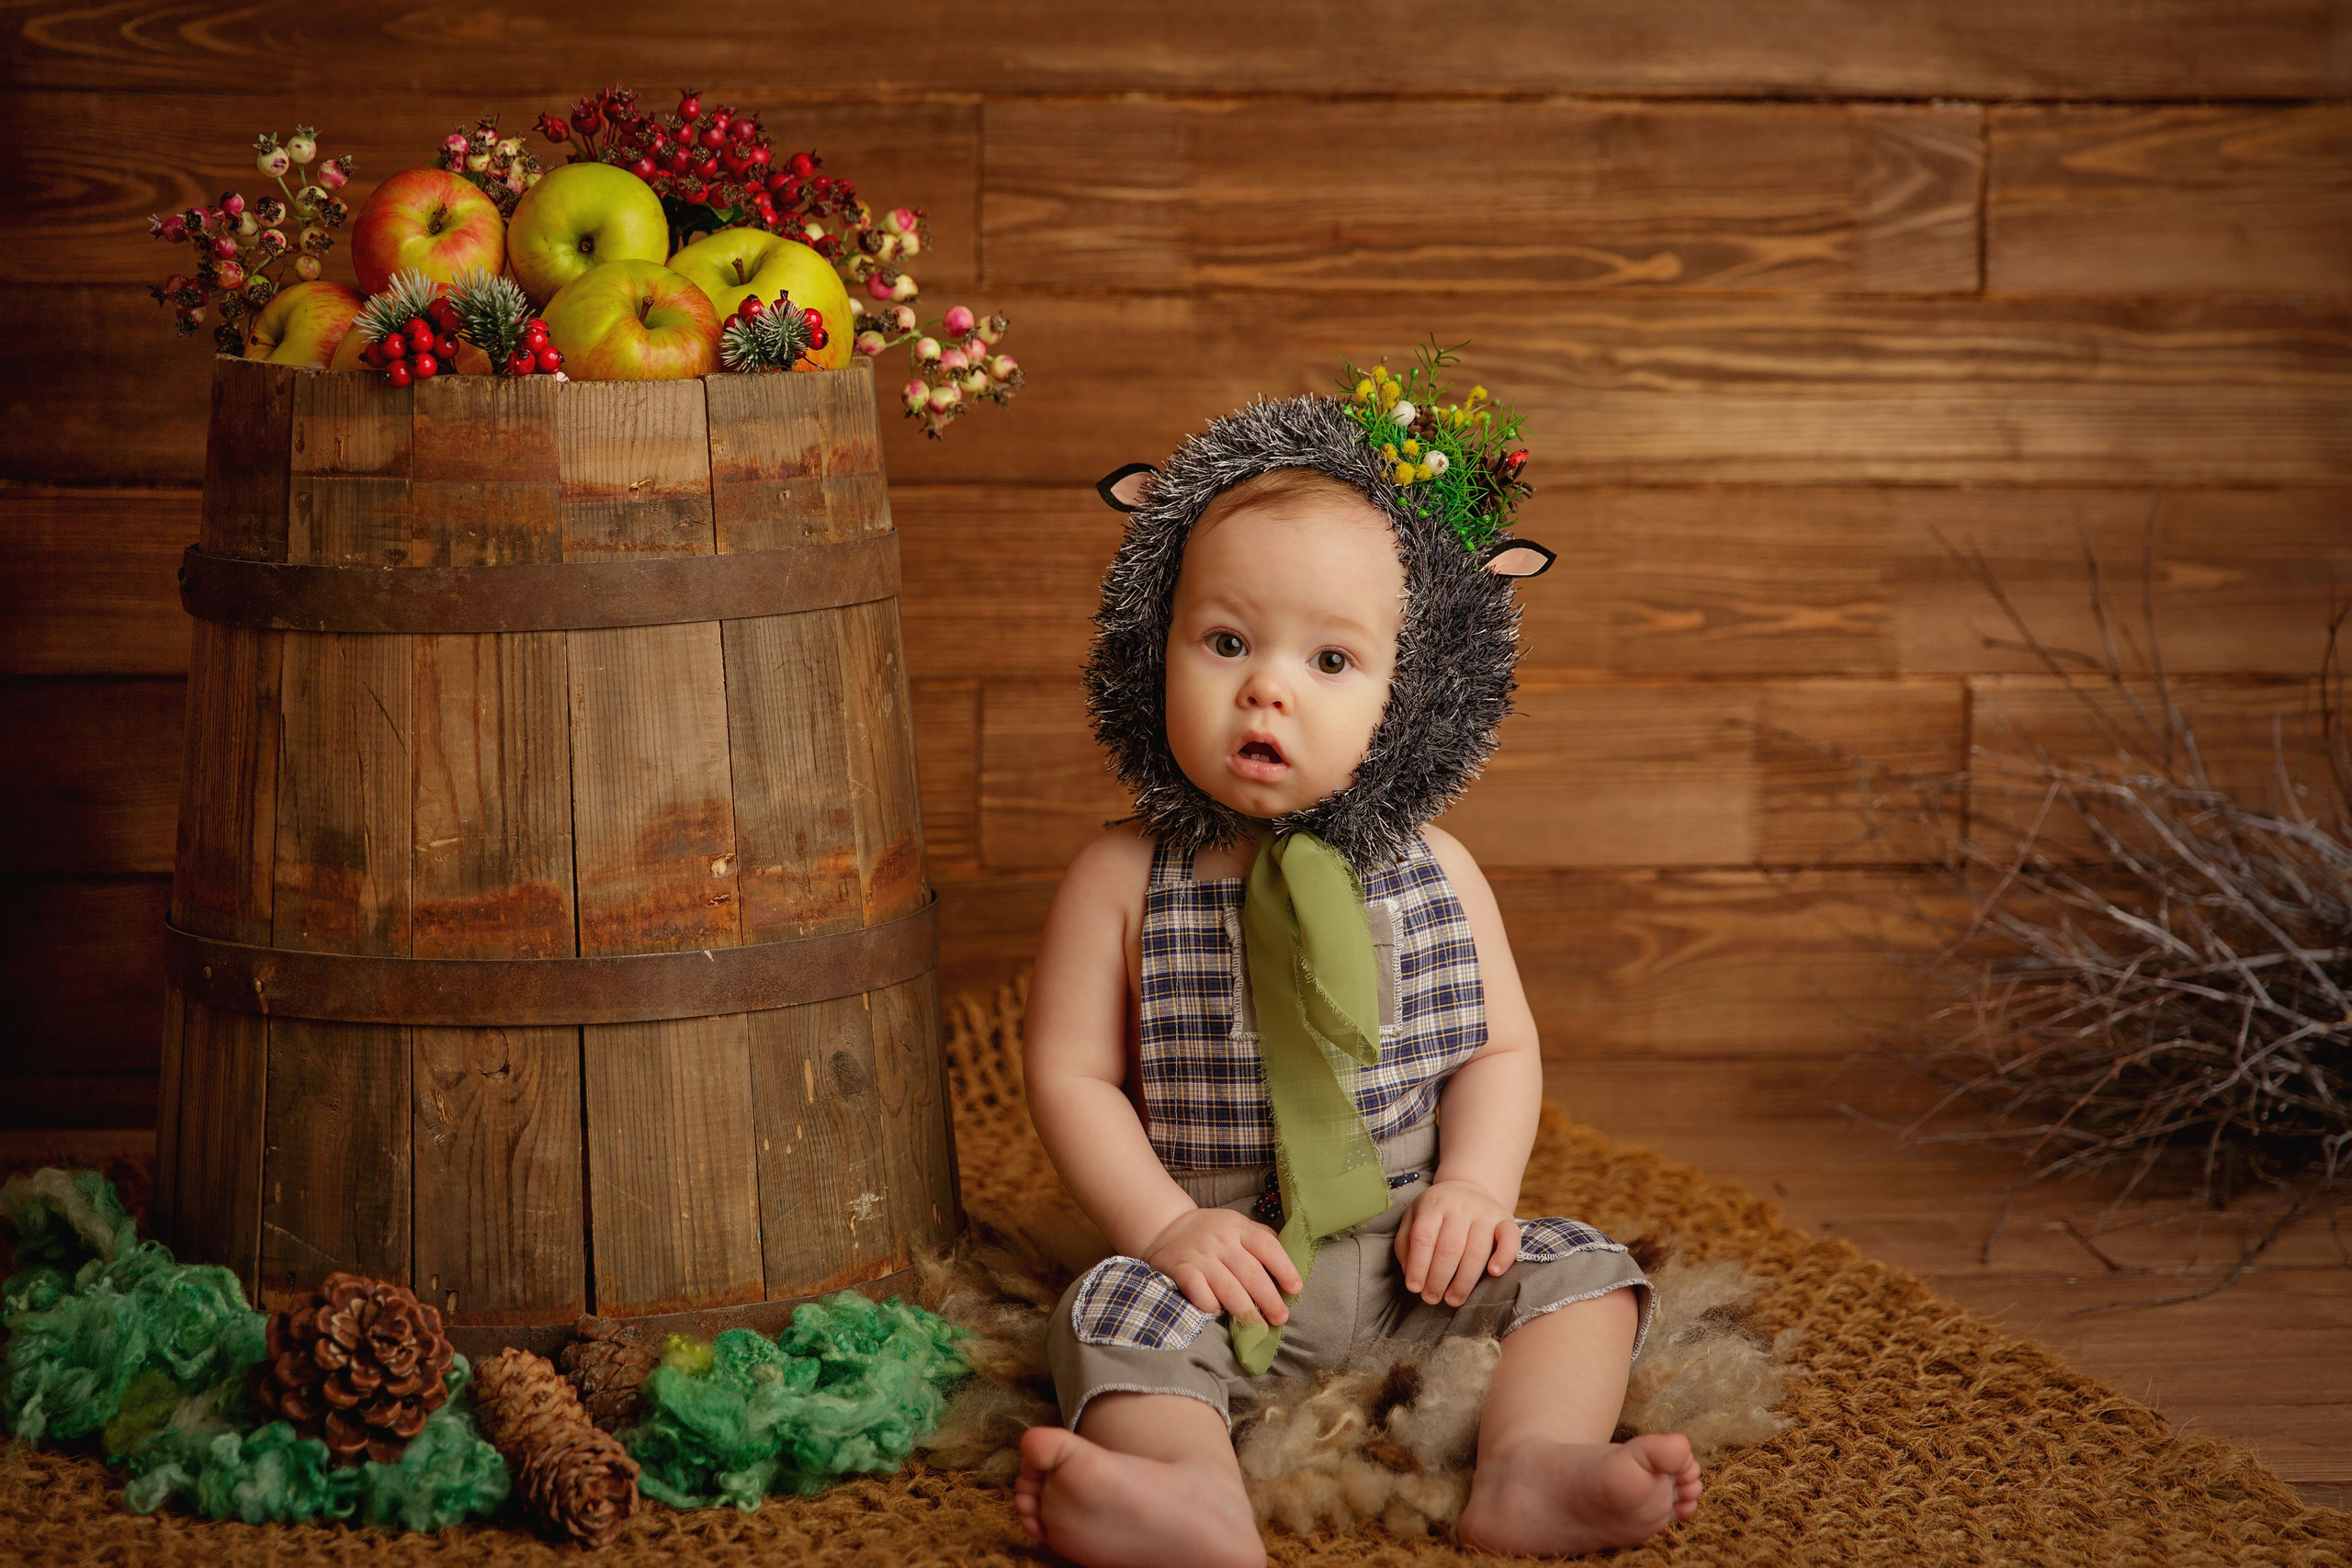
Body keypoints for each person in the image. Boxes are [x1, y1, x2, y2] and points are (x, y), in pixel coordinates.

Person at [1011, 364, 1703, 1567]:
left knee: (1587, 1273)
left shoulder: (1437, 872)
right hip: (1229, 1267)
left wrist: (1477, 1188)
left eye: (1331, 662)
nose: (1265, 686)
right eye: (1225, 640)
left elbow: (1500, 1046)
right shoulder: (1124, 880)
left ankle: (1532, 1467)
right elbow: (1070, 1076)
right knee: (1107, 1315)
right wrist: (1168, 1228)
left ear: (1413, 693)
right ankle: (1191, 1500)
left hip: (1414, 1260)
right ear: (1152, 644)